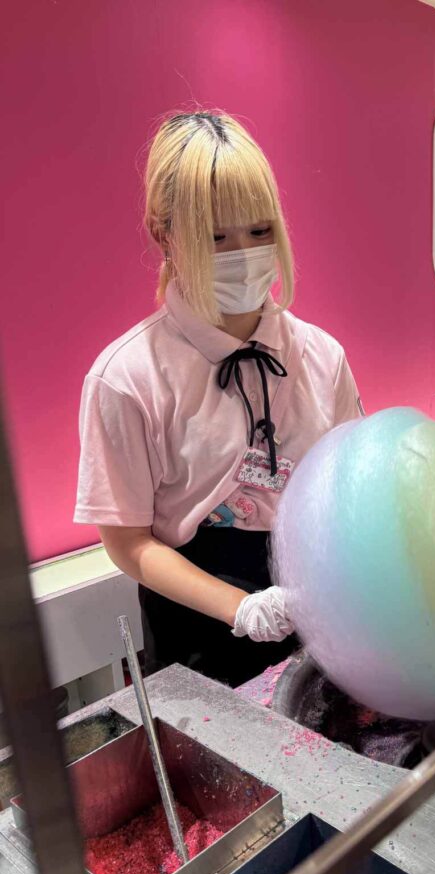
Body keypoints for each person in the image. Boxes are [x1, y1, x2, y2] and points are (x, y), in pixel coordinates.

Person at [75, 111, 362, 686]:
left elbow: (351, 490)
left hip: (315, 606)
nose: (244, 252)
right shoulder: (125, 377)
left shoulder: (322, 356)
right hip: (194, 627)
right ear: (164, 236)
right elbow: (127, 541)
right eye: (216, 237)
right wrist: (240, 607)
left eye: (259, 232)